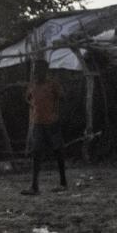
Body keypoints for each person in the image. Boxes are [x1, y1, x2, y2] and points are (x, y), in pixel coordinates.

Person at [23, 58, 68, 194]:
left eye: (39, 70)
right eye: (35, 70)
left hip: (52, 122)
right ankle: (34, 186)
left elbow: (63, 98)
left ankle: (63, 182)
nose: (37, 72)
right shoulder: (32, 85)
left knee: (58, 151)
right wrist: (34, 111)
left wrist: (55, 113)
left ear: (45, 70)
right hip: (37, 123)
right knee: (36, 153)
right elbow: (27, 98)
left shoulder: (53, 84)